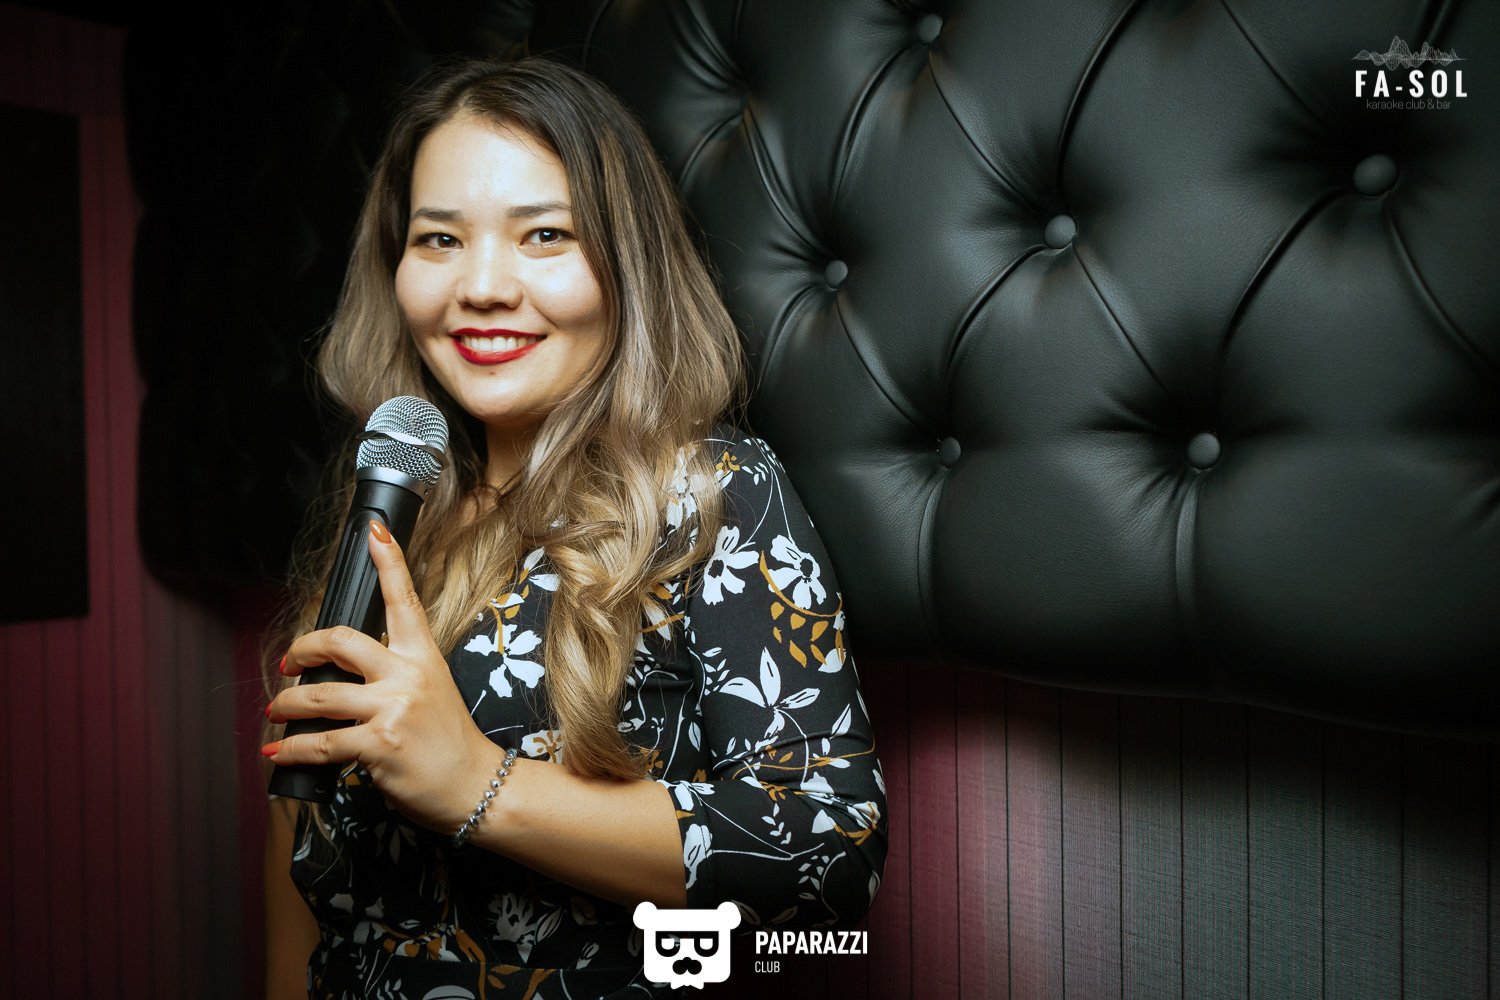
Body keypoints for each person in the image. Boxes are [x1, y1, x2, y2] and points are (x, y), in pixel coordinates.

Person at [262, 56, 887, 999]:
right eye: (439, 239)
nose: (481, 286)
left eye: (545, 234)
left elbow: (832, 852)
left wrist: (476, 783)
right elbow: (303, 857)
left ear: (625, 265)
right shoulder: (397, 497)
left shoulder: (710, 491)